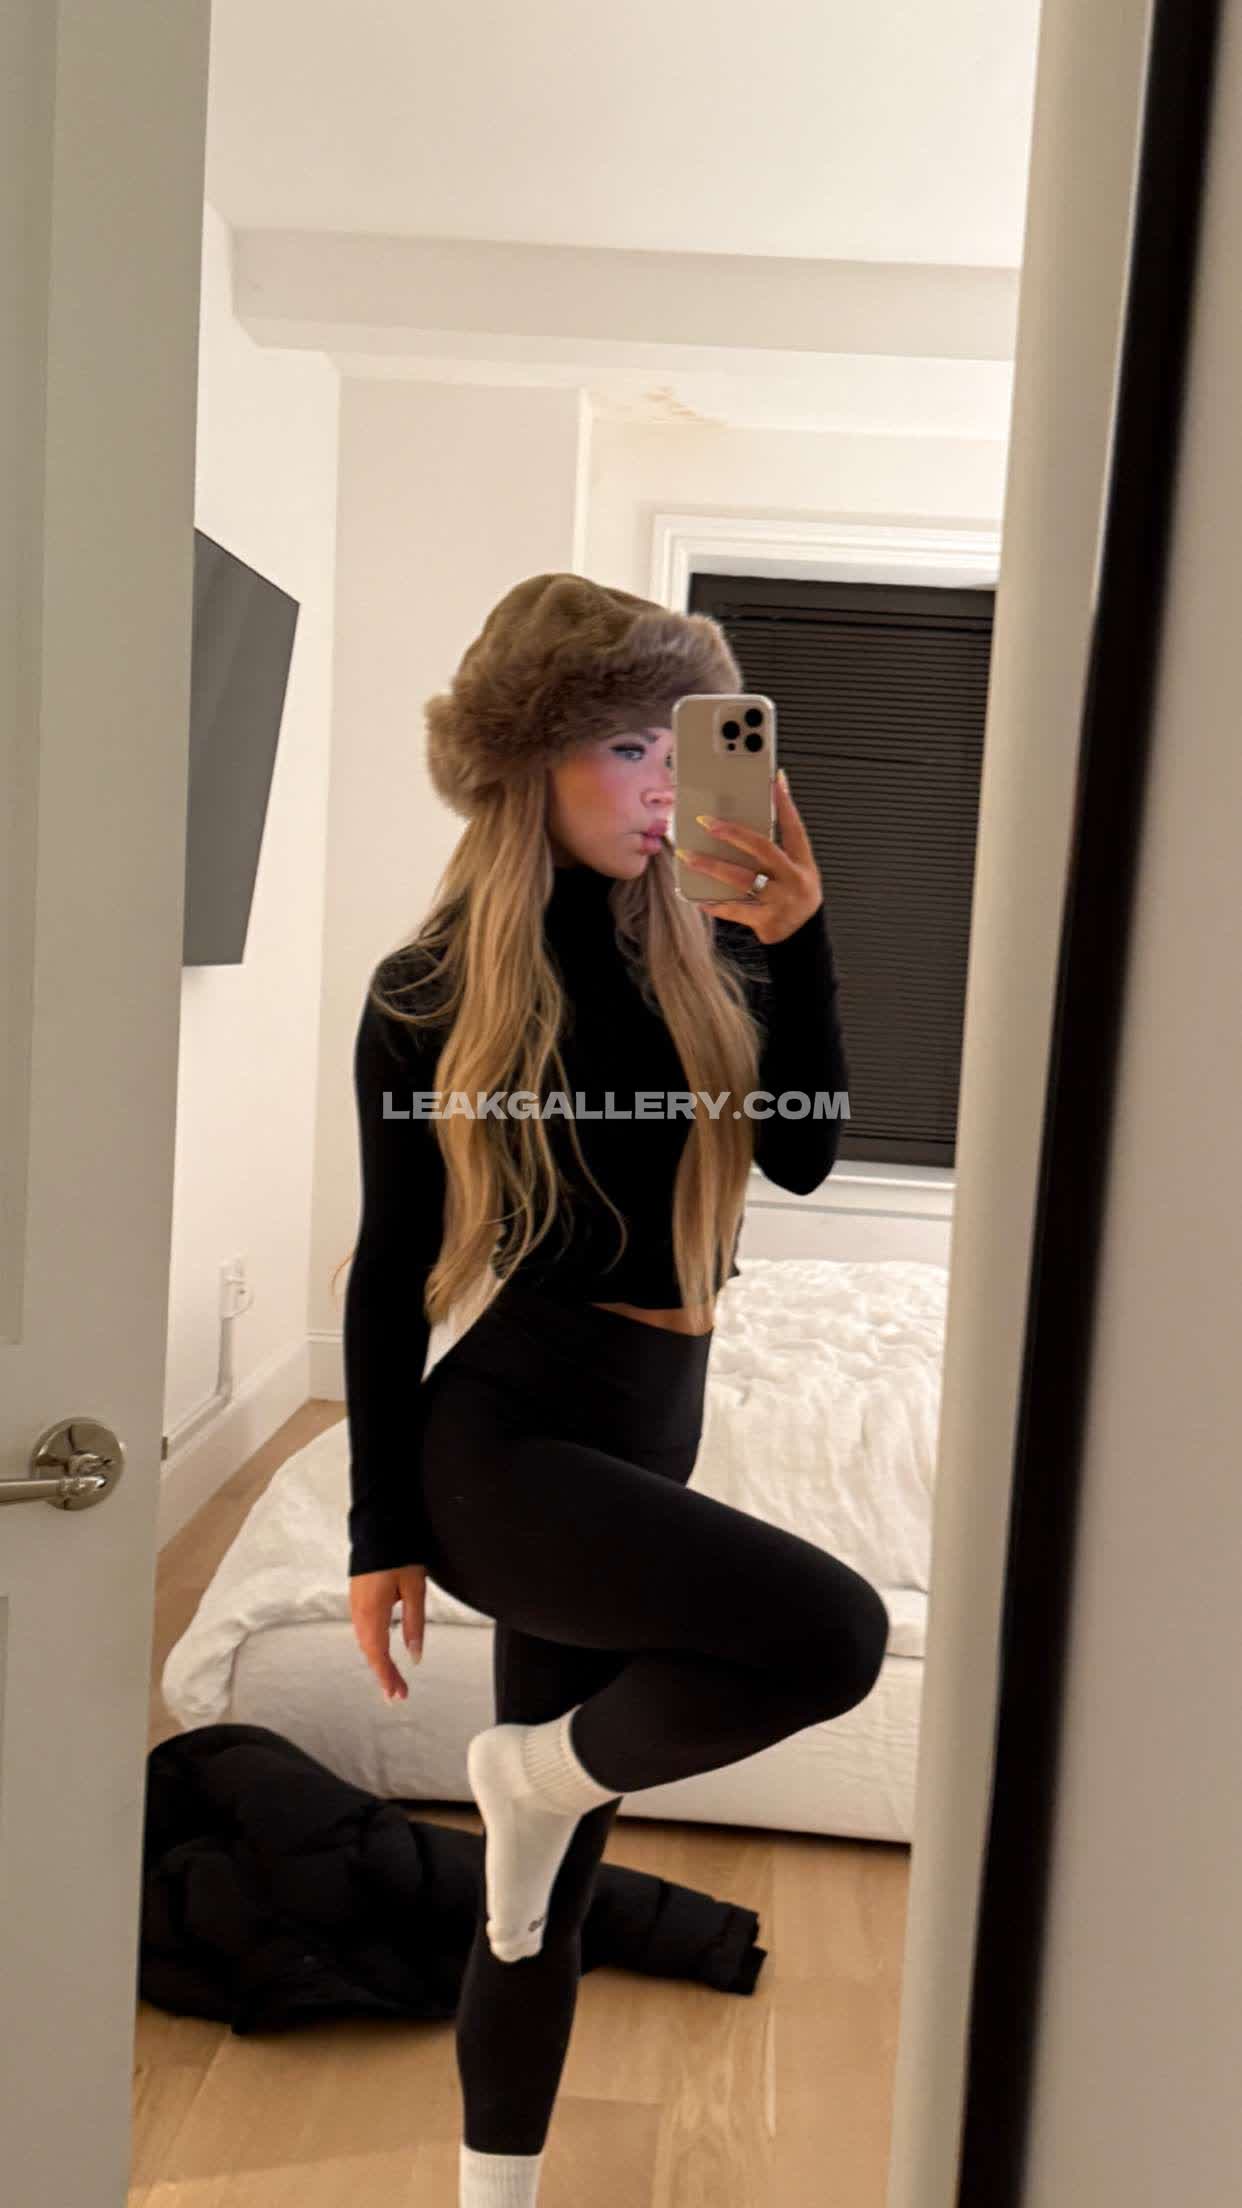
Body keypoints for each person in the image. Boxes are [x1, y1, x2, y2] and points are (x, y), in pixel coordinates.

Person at [339, 573, 890, 2208]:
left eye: (680, 745)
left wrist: (801, 942)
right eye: (627, 747)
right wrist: (378, 1532)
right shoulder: (431, 988)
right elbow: (389, 1267)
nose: (663, 786)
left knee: (543, 1899)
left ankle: (489, 2192)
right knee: (831, 1636)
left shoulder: (701, 954)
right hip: (510, 1446)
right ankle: (532, 1777)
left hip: (650, 1420)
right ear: (531, 762)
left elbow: (801, 1156)